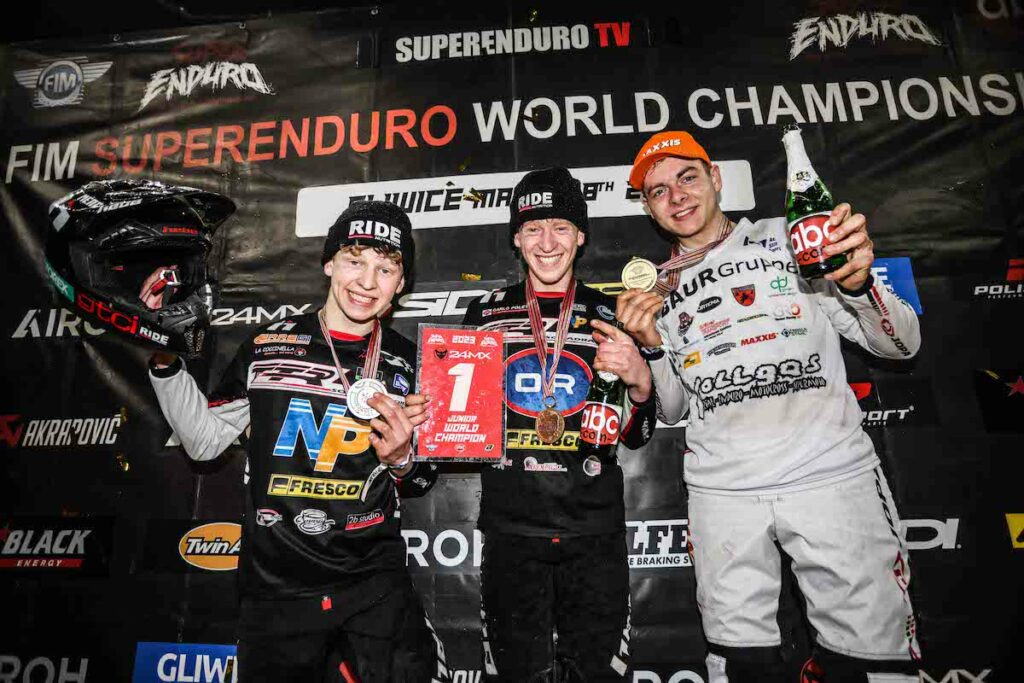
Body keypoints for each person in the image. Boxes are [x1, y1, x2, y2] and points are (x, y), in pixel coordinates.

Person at [615, 131, 923, 682]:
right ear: (649, 209)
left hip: (829, 476)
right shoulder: (656, 288)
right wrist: (653, 347)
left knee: (872, 662)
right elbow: (673, 407)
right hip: (723, 494)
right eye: (659, 191)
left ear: (715, 178)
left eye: (687, 177)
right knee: (741, 666)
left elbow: (902, 345)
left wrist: (859, 285)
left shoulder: (793, 236)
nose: (677, 196)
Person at [146, 200, 449, 682]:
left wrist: (401, 459)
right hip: (276, 588)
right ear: (329, 264)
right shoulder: (266, 346)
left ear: (401, 284)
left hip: (373, 584)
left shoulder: (414, 364)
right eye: (354, 260)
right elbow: (204, 442)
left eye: (385, 268)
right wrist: (165, 361)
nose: (367, 282)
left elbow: (422, 480)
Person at [461, 167, 658, 682]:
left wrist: (641, 383)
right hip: (511, 531)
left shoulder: (611, 315)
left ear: (581, 236)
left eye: (561, 227)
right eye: (533, 228)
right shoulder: (483, 315)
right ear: (516, 238)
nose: (547, 243)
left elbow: (636, 434)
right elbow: (459, 428)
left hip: (592, 530)